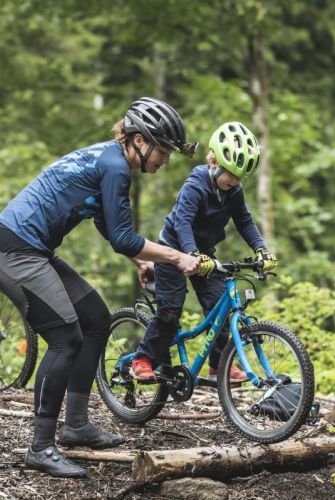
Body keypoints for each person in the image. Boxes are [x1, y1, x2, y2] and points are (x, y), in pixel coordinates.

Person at [0, 97, 200, 478]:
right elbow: (124, 236)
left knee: (95, 318)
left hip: (33, 249)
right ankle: (40, 447)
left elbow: (106, 222)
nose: (166, 160)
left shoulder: (110, 160)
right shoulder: (115, 167)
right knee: (64, 339)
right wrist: (174, 257)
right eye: (163, 151)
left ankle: (75, 424)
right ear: (138, 141)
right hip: (14, 249)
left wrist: (141, 259)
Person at [131, 121, 277, 382]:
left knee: (221, 306)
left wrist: (261, 250)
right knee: (170, 310)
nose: (233, 182)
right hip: (173, 251)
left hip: (204, 255)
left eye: (238, 178)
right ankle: (143, 358)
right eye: (230, 174)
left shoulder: (234, 191)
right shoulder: (195, 186)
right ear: (213, 161)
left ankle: (219, 365)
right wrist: (191, 253)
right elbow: (182, 222)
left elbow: (244, 220)